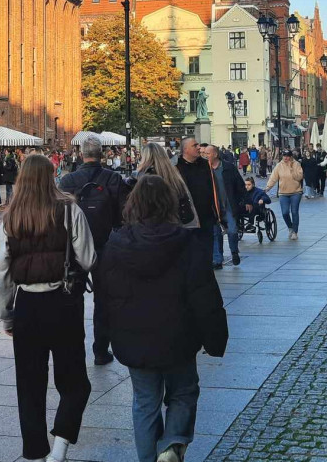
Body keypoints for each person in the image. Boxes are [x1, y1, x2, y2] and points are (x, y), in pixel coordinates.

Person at [98, 175, 229, 462]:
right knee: (183, 392)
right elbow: (204, 295)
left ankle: (149, 458)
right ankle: (171, 443)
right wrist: (215, 338)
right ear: (168, 204)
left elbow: (103, 297)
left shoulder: (116, 245)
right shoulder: (187, 243)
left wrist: (102, 337)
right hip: (178, 337)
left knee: (145, 402)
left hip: (133, 338)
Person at [0, 155, 96, 462]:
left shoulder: (11, 217)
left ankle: (36, 452)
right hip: (63, 302)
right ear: (52, 176)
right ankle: (61, 446)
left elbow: (2, 271)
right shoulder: (69, 210)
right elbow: (89, 258)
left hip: (26, 304)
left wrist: (6, 314)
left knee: (29, 384)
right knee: (74, 379)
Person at [59, 133, 130, 365]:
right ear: (101, 154)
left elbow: (59, 217)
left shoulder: (68, 181)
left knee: (72, 301)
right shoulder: (112, 179)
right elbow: (123, 216)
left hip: (74, 250)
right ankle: (101, 350)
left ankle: (73, 350)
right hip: (105, 245)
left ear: (81, 154)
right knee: (103, 301)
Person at [175, 137, 220, 266]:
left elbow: (214, 187)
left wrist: (217, 211)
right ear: (185, 149)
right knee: (190, 252)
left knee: (206, 251)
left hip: (206, 216)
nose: (199, 147)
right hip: (187, 217)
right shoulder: (176, 166)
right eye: (195, 145)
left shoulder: (205, 164)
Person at [203, 144, 244, 267]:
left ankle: (234, 252)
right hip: (213, 207)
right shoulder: (204, 169)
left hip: (229, 205)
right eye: (204, 154)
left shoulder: (228, 167)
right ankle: (217, 259)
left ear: (215, 154)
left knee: (232, 230)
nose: (205, 156)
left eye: (207, 154)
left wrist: (245, 201)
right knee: (216, 233)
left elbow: (240, 185)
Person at [267, 150, 303, 240]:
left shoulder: (297, 164)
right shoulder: (279, 165)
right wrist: (268, 187)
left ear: (291, 157)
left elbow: (299, 177)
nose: (286, 158)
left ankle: (295, 231)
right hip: (283, 193)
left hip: (296, 192)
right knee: (285, 213)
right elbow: (273, 178)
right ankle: (290, 227)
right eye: (284, 156)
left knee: (294, 212)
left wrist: (291, 169)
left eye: (287, 156)